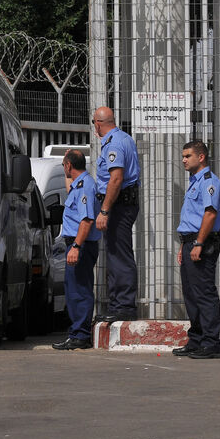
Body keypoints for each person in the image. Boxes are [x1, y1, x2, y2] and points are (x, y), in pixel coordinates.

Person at [172, 140, 220, 359]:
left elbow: (210, 214)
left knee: (204, 293)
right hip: (190, 242)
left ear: (201, 157)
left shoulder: (208, 182)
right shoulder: (195, 182)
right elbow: (191, 219)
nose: (183, 160)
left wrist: (199, 244)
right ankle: (196, 339)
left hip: (201, 243)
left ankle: (211, 343)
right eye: (183, 156)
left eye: (187, 156)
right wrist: (184, 245)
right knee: (191, 295)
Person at [93, 107, 140, 321]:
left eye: (94, 122)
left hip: (118, 205)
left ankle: (124, 306)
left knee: (119, 256)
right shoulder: (125, 138)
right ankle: (118, 304)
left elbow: (116, 179)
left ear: (99, 123)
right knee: (116, 254)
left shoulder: (114, 143)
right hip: (122, 203)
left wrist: (104, 210)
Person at [52, 149, 101, 350]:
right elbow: (70, 186)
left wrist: (77, 247)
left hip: (80, 244)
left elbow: (87, 220)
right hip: (76, 244)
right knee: (73, 290)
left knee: (79, 290)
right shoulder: (79, 185)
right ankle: (77, 333)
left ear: (69, 166)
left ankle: (80, 335)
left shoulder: (85, 187)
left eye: (65, 164)